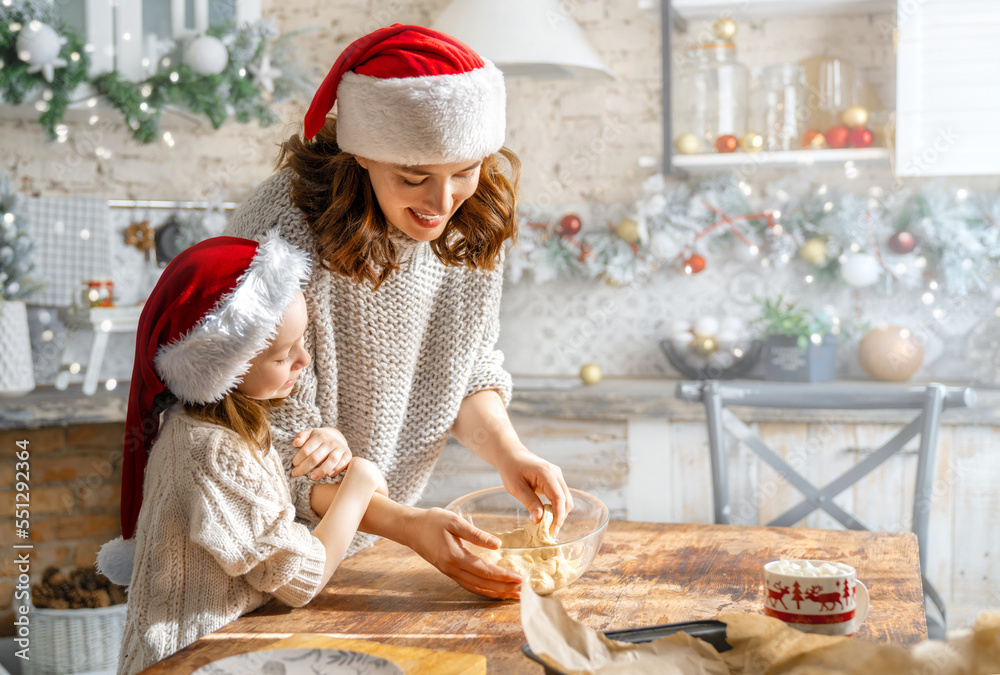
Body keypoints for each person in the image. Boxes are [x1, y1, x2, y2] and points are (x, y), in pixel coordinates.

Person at [224, 24, 573, 600]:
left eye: (464, 170)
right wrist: (411, 526)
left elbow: (462, 371)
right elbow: (266, 441)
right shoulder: (282, 231)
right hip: (260, 548)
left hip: (362, 535)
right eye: (414, 178)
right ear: (362, 153)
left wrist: (512, 454)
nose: (442, 204)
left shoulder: (470, 222)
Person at [96, 234, 387, 674]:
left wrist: (352, 473)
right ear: (227, 367)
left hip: (228, 654)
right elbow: (303, 577)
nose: (304, 360)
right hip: (189, 661)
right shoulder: (211, 451)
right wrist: (361, 476)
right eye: (282, 355)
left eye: (301, 342)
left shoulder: (232, 429)